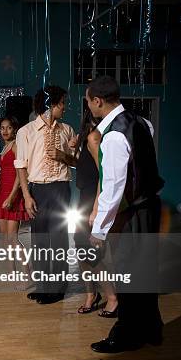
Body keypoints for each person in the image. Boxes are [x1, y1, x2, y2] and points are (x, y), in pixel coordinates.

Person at [86, 75, 164, 353]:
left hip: (134, 211)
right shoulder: (142, 122)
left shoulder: (114, 136)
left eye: (88, 100)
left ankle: (127, 335)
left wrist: (99, 230)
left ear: (98, 101)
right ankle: (152, 329)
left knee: (128, 273)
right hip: (150, 205)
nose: (88, 106)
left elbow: (113, 187)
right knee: (144, 271)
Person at [15, 85, 76, 304]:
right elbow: (21, 166)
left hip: (60, 189)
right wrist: (27, 196)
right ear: (51, 105)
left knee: (59, 240)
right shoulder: (26, 132)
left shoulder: (67, 130)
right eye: (62, 103)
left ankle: (58, 289)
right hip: (37, 190)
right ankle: (43, 286)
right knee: (39, 240)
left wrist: (63, 155)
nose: (65, 108)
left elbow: (75, 162)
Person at [73, 109, 118, 316]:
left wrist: (96, 207)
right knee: (81, 251)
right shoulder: (87, 138)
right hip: (84, 199)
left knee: (91, 252)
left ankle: (112, 297)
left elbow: (104, 173)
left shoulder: (93, 137)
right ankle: (91, 294)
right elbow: (85, 167)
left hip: (93, 199)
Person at [0, 116, 30, 244]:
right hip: (2, 195)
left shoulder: (16, 146)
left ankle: (25, 265)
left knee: (13, 239)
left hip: (13, 194)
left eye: (9, 128)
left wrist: (11, 197)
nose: (5, 131)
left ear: (15, 130)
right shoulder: (5, 148)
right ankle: (10, 265)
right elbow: (2, 175)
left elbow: (20, 174)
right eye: (2, 128)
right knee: (6, 240)